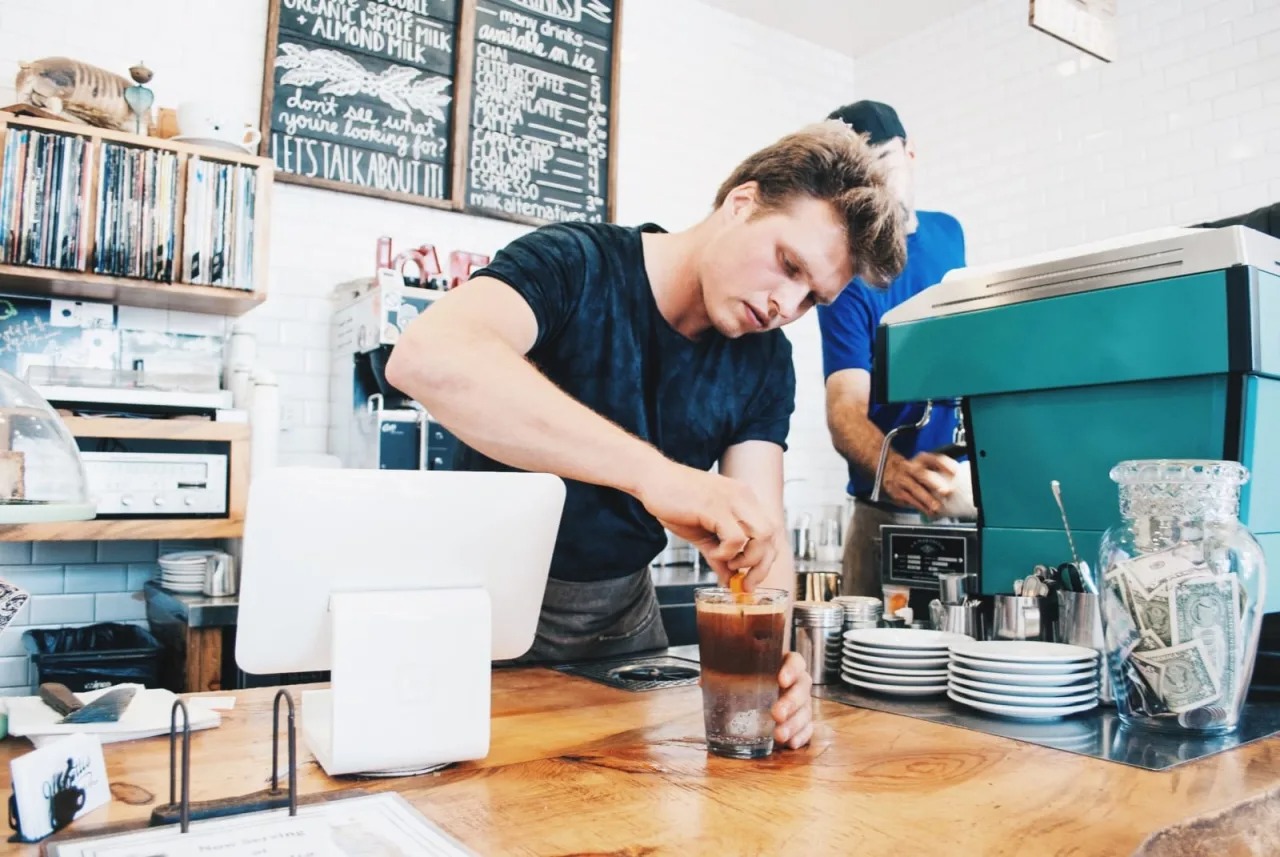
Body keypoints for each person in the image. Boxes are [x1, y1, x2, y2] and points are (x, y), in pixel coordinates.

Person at [386, 121, 905, 752]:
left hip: (622, 625)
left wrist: (777, 657)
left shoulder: (764, 361)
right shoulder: (575, 263)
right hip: (479, 613)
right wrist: (658, 475)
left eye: (811, 298)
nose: (784, 306)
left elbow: (761, 534)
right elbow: (427, 356)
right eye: (787, 265)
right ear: (741, 203)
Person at [817, 100, 969, 599]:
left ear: (910, 154)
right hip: (882, 515)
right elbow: (844, 411)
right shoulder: (845, 276)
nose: (879, 188)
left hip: (960, 509)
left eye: (885, 164)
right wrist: (895, 471)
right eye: (862, 178)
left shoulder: (950, 233)